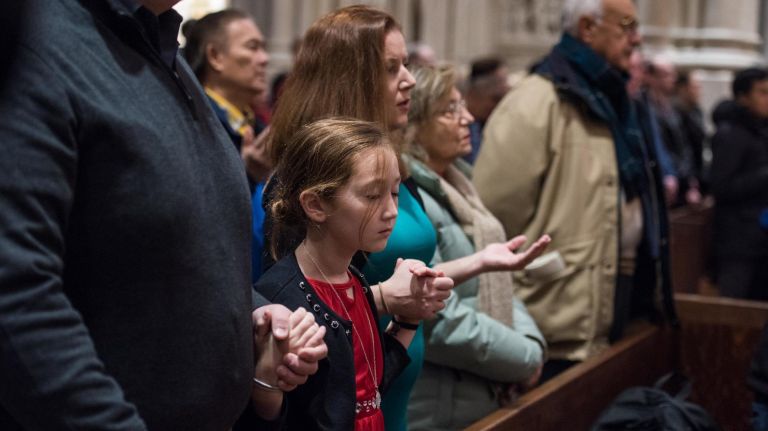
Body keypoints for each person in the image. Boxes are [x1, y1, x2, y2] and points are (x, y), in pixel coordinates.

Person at [0, 0, 327, 429]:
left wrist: (253, 313)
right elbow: (16, 292)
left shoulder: (156, 47)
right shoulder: (37, 44)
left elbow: (169, 244)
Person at [264, 6, 453, 430]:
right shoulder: (304, 186)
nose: (409, 79)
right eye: (391, 68)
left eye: (393, 194)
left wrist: (407, 315)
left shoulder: (386, 164)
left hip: (387, 394)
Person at [474, 0, 677, 380]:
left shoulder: (615, 100)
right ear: (587, 28)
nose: (637, 38)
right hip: (554, 317)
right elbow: (493, 219)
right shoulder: (536, 101)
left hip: (617, 293)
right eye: (628, 26)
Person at [256, 117, 431, 429]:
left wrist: (409, 318)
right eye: (372, 195)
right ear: (316, 204)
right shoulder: (282, 298)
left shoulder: (353, 280)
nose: (391, 211)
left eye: (394, 193)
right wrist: (266, 384)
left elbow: (366, 391)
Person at [403, 65, 550, 430]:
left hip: (474, 391)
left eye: (463, 107)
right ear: (415, 125)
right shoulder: (409, 196)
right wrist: (524, 357)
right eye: (450, 110)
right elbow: (439, 317)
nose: (467, 118)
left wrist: (529, 343)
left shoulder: (461, 186)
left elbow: (497, 279)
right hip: (437, 404)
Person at [183, 9, 272, 279]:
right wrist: (246, 175)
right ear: (215, 57)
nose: (265, 59)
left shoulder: (257, 128)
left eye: (264, 48)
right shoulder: (192, 120)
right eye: (252, 47)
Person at [710, 67, 768, 300]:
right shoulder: (730, 134)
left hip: (761, 239)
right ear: (743, 97)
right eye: (762, 93)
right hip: (738, 244)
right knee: (732, 313)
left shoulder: (761, 130)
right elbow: (721, 187)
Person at [646, 56, 702, 206]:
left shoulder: (674, 108)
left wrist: (690, 179)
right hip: (664, 180)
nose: (672, 79)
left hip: (681, 179)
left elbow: (684, 145)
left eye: (673, 74)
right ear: (651, 77)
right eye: (665, 75)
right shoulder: (646, 107)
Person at [462, 57, 511, 164]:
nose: (498, 107)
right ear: (475, 93)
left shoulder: (487, 124)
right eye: (496, 99)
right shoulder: (462, 127)